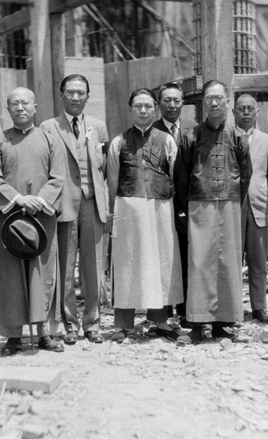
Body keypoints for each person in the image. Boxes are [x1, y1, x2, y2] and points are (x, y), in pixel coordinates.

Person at [0, 87, 66, 356]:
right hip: (9, 216)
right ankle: (13, 336)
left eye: (25, 103)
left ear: (35, 107)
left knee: (42, 273)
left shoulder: (50, 139)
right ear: (7, 110)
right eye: (14, 104)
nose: (20, 108)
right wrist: (18, 199)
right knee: (9, 276)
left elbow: (58, 177)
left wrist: (38, 201)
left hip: (41, 216)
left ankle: (45, 333)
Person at [175, 80, 251, 344]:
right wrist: (185, 209)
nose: (215, 103)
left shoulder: (238, 136)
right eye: (210, 99)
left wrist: (234, 200)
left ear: (227, 103)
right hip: (199, 205)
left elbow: (246, 174)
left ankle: (222, 324)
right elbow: (181, 175)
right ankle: (197, 323)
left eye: (219, 98)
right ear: (203, 103)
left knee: (228, 262)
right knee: (199, 262)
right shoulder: (191, 136)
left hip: (229, 204)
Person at [106, 88, 183, 343]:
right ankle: (123, 324)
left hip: (160, 208)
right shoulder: (119, 142)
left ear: (155, 109)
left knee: (159, 263)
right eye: (138, 106)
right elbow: (113, 180)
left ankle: (160, 321)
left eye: (148, 106)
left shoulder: (167, 140)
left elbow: (175, 176)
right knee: (127, 263)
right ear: (130, 110)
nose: (143, 110)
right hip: (128, 208)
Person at [39, 74, 109, 345]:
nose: (76, 97)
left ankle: (93, 324)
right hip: (63, 205)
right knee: (65, 268)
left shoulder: (98, 127)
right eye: (71, 92)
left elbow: (104, 165)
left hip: (92, 204)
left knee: (94, 267)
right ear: (61, 95)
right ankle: (69, 324)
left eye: (81, 93)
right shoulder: (48, 127)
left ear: (88, 96)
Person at [152, 82, 197, 329]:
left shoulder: (192, 131)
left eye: (177, 100)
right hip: (161, 203)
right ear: (159, 104)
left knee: (186, 254)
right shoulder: (152, 130)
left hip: (188, 203)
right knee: (163, 257)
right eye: (167, 100)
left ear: (183, 103)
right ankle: (161, 313)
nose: (172, 105)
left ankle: (186, 309)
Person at [233, 93, 268, 325]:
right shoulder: (227, 137)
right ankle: (232, 310)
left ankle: (259, 307)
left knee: (258, 261)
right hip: (233, 208)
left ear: (257, 112)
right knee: (232, 261)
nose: (245, 112)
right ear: (233, 112)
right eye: (241, 108)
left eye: (250, 108)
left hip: (260, 207)